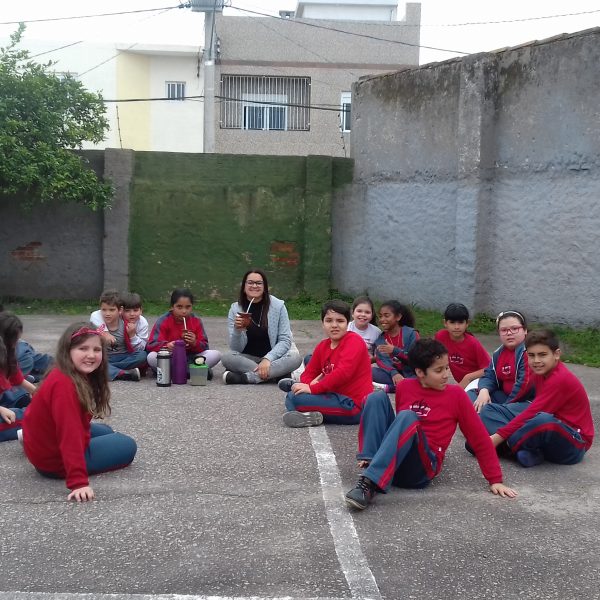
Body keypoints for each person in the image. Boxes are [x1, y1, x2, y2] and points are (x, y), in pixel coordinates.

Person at [345, 339, 518, 510]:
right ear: (420, 372)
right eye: (438, 370)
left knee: (407, 417)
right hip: (396, 461)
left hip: (420, 470)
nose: (446, 375)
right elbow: (397, 428)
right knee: (376, 398)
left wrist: (495, 479)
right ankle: (371, 461)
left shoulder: (456, 395)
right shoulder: (405, 387)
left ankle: (369, 483)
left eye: (447, 368)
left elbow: (479, 438)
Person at [22, 322, 137, 501]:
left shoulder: (64, 371)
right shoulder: (65, 386)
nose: (91, 355)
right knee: (127, 445)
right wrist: (78, 482)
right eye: (83, 348)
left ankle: (36, 443)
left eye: (97, 350)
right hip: (54, 462)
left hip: (43, 446)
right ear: (68, 350)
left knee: (106, 430)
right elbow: (70, 433)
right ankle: (67, 464)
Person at [483, 329, 594, 468]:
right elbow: (524, 399)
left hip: (574, 443)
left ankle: (503, 447)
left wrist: (497, 437)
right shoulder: (539, 373)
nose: (536, 361)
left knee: (542, 420)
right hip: (545, 431)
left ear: (556, 354)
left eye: (542, 355)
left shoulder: (560, 379)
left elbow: (533, 413)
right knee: (489, 409)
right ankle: (528, 451)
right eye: (531, 355)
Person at [279, 299, 373, 427]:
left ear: (347, 324)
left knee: (294, 398)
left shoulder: (354, 341)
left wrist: (312, 388)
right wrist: (307, 385)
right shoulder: (323, 346)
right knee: (295, 395)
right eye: (329, 321)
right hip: (333, 396)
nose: (334, 325)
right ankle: (311, 416)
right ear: (323, 324)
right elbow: (308, 373)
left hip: (354, 406)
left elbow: (342, 373)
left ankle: (300, 399)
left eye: (340, 321)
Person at [221, 269, 302, 384]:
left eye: (259, 283)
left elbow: (285, 340)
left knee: (295, 358)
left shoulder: (278, 306)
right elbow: (236, 348)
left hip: (274, 358)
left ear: (265, 287)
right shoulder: (235, 309)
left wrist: (268, 359)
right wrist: (237, 331)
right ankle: (275, 374)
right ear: (244, 287)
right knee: (227, 357)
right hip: (248, 358)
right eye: (250, 282)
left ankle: (245, 378)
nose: (254, 286)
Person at [468, 310, 535, 413]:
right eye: (504, 330)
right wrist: (484, 390)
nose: (509, 333)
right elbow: (489, 375)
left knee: (486, 411)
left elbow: (524, 385)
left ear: (525, 330)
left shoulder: (530, 352)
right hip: (505, 397)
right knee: (472, 396)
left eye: (514, 328)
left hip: (526, 402)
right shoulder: (498, 353)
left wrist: (503, 409)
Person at [146, 288, 221, 376]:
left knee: (216, 354)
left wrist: (194, 342)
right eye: (179, 307)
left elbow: (205, 346)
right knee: (151, 357)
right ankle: (194, 371)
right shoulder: (163, 321)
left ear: (192, 306)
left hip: (191, 357)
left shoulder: (196, 320)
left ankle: (173, 372)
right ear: (172, 307)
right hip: (171, 357)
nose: (184, 311)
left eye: (188, 307)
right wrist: (167, 346)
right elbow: (151, 344)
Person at [90, 290, 147, 381]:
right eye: (104, 310)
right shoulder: (98, 321)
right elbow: (94, 315)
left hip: (125, 356)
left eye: (112, 310)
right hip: (105, 357)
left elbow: (141, 348)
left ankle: (108, 369)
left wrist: (132, 336)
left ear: (120, 310)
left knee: (142, 355)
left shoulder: (126, 321)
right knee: (94, 361)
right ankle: (123, 373)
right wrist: (104, 332)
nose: (107, 314)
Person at [434, 302, 490, 389]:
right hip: (462, 384)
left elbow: (489, 369)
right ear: (445, 323)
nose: (456, 327)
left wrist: (468, 377)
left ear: (467, 323)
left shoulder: (472, 343)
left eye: (460, 322)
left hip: (480, 383)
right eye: (452, 322)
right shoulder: (441, 336)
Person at [371, 300, 419, 393]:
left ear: (398, 317)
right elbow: (382, 361)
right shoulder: (381, 339)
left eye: (386, 315)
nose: (382, 319)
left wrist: (395, 351)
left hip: (412, 372)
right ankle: (404, 386)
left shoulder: (411, 334)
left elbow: (416, 358)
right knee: (370, 371)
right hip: (392, 375)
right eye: (380, 316)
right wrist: (394, 373)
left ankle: (391, 388)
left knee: (424, 377)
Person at [0, 312, 37, 408]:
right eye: (16, 340)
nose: (17, 343)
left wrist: (37, 392)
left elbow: (18, 379)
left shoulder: (9, 357)